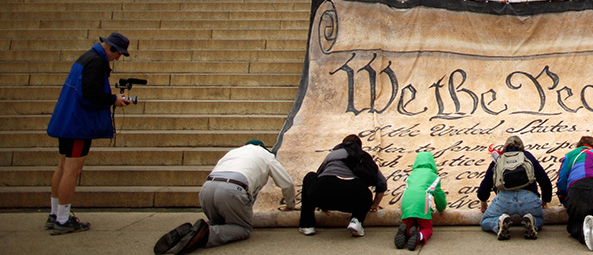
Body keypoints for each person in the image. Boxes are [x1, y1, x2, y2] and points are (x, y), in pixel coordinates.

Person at [46, 33, 133, 235]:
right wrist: (113, 99)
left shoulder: (85, 58)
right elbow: (89, 95)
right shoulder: (95, 62)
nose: (118, 58)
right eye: (118, 53)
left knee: (61, 167)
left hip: (67, 120)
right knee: (71, 169)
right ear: (111, 48)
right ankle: (63, 219)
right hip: (78, 125)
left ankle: (55, 213)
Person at [154, 140, 296, 254]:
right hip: (233, 189)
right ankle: (205, 234)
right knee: (242, 229)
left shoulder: (233, 153)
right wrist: (290, 205)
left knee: (219, 223)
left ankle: (189, 232)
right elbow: (287, 183)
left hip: (207, 188)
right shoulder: (266, 155)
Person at [298, 134, 387, 237]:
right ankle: (357, 221)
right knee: (366, 192)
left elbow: (318, 177)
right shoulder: (363, 157)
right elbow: (382, 183)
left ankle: (307, 225)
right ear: (360, 147)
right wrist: (374, 205)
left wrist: (323, 203)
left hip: (324, 191)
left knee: (310, 176)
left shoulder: (333, 155)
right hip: (351, 199)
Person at [477, 135, 554, 240]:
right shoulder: (527, 156)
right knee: (540, 219)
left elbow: (486, 183)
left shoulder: (499, 158)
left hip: (504, 199)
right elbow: (545, 181)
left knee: (485, 221)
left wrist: (483, 202)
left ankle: (499, 223)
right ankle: (532, 220)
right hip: (529, 198)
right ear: (522, 147)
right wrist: (545, 199)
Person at [395, 151, 446, 250]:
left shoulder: (411, 176)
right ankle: (419, 236)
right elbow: (439, 196)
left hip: (405, 202)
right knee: (426, 228)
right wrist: (441, 208)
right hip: (422, 202)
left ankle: (406, 233)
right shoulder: (434, 177)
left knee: (410, 225)